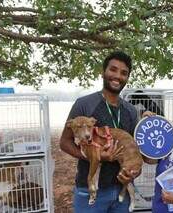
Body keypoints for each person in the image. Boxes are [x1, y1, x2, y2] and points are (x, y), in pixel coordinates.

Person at [60, 51, 140, 213]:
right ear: (103, 72)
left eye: (124, 73)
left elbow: (135, 151)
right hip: (90, 191)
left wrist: (133, 173)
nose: (117, 76)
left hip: (120, 192)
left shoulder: (131, 111)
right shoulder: (84, 105)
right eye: (113, 69)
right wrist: (93, 156)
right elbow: (64, 142)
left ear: (127, 78)